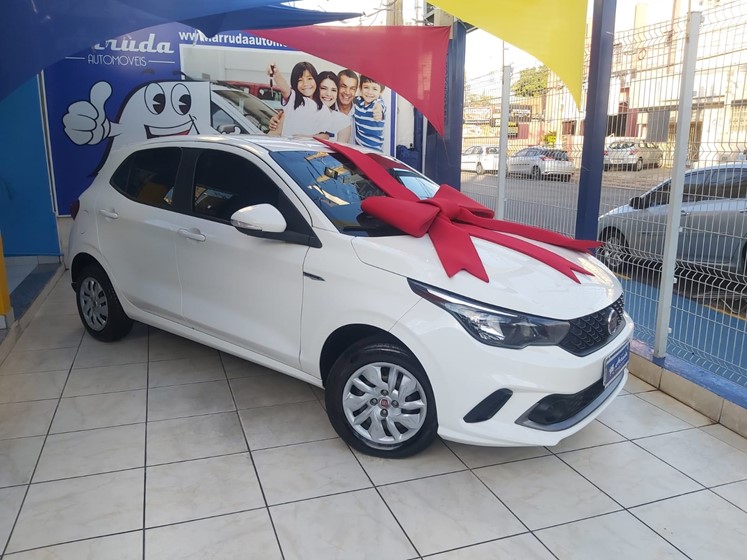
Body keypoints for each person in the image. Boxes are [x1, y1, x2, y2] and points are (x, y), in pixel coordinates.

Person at [267, 61, 333, 138]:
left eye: (309, 78)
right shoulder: (293, 98)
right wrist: (277, 75)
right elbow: (285, 88)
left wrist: (305, 138)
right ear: (294, 83)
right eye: (300, 80)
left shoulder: (323, 109)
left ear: (316, 80)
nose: (305, 83)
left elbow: (325, 135)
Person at [316, 71, 352, 143]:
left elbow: (341, 148)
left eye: (333, 90)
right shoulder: (304, 113)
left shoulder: (343, 120)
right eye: (324, 88)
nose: (328, 94)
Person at [353, 75, 386, 152]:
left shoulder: (377, 103)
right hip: (359, 148)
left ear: (381, 92)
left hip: (374, 151)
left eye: (375, 89)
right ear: (360, 88)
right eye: (366, 87)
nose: (370, 92)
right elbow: (353, 99)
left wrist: (379, 112)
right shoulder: (358, 101)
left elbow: (380, 107)